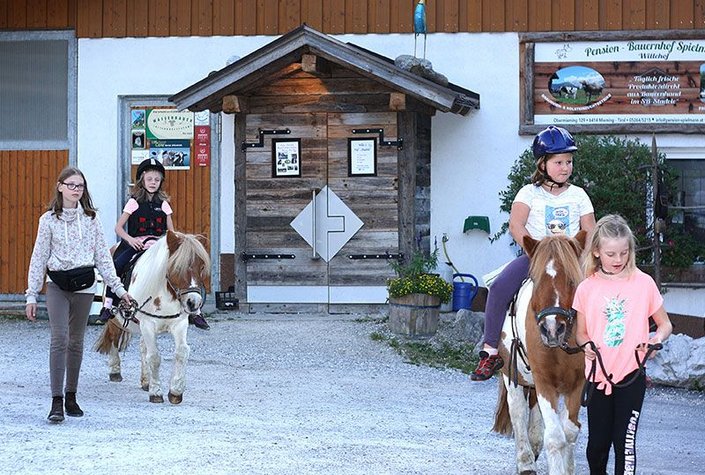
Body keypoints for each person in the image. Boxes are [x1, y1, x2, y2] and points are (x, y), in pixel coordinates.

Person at [471, 125, 596, 381]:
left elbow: (590, 229)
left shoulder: (579, 195)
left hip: (571, 260)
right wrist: (535, 248)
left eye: (569, 162)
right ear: (542, 164)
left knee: (602, 289)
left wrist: (583, 254)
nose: (565, 167)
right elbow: (516, 225)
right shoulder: (528, 193)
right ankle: (490, 350)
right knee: (500, 287)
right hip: (537, 257)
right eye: (559, 162)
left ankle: (613, 352)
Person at [25, 167, 134, 423]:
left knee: (76, 341)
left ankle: (71, 394)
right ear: (60, 186)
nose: (76, 189)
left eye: (80, 186)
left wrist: (119, 289)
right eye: (71, 185)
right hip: (57, 286)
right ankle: (56, 401)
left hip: (84, 287)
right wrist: (31, 294)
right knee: (58, 339)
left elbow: (103, 258)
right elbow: (39, 257)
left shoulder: (92, 219)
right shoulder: (48, 220)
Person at [573, 214, 672, 474]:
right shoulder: (585, 288)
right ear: (596, 252)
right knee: (597, 447)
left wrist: (655, 340)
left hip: (632, 376)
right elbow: (580, 333)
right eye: (611, 254)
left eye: (624, 253)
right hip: (598, 378)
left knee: (625, 445)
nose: (618, 260)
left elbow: (665, 325)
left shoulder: (644, 283)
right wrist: (586, 346)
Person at [97, 158, 210, 330]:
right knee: (117, 265)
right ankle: (108, 305)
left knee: (184, 267)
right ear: (142, 180)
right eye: (149, 179)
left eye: (157, 180)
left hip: (158, 245)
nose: (153, 183)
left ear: (160, 182)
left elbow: (171, 232)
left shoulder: (164, 204)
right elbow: (118, 228)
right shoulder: (133, 202)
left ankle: (195, 312)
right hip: (136, 243)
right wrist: (130, 239)